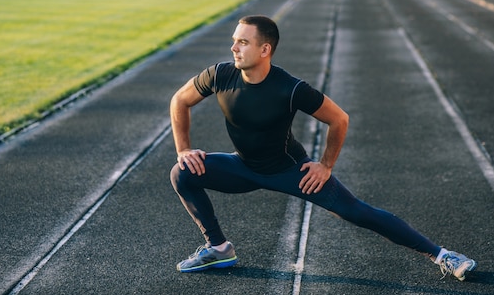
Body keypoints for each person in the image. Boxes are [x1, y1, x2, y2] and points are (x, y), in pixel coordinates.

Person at [169, 15, 477, 280]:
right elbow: (180, 100)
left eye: (243, 42)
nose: (234, 47)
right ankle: (219, 249)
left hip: (291, 171)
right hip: (244, 166)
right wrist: (184, 149)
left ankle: (443, 256)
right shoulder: (220, 74)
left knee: (357, 212)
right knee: (182, 172)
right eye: (234, 41)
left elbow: (339, 119)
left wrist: (326, 165)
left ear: (265, 50)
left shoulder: (290, 88)